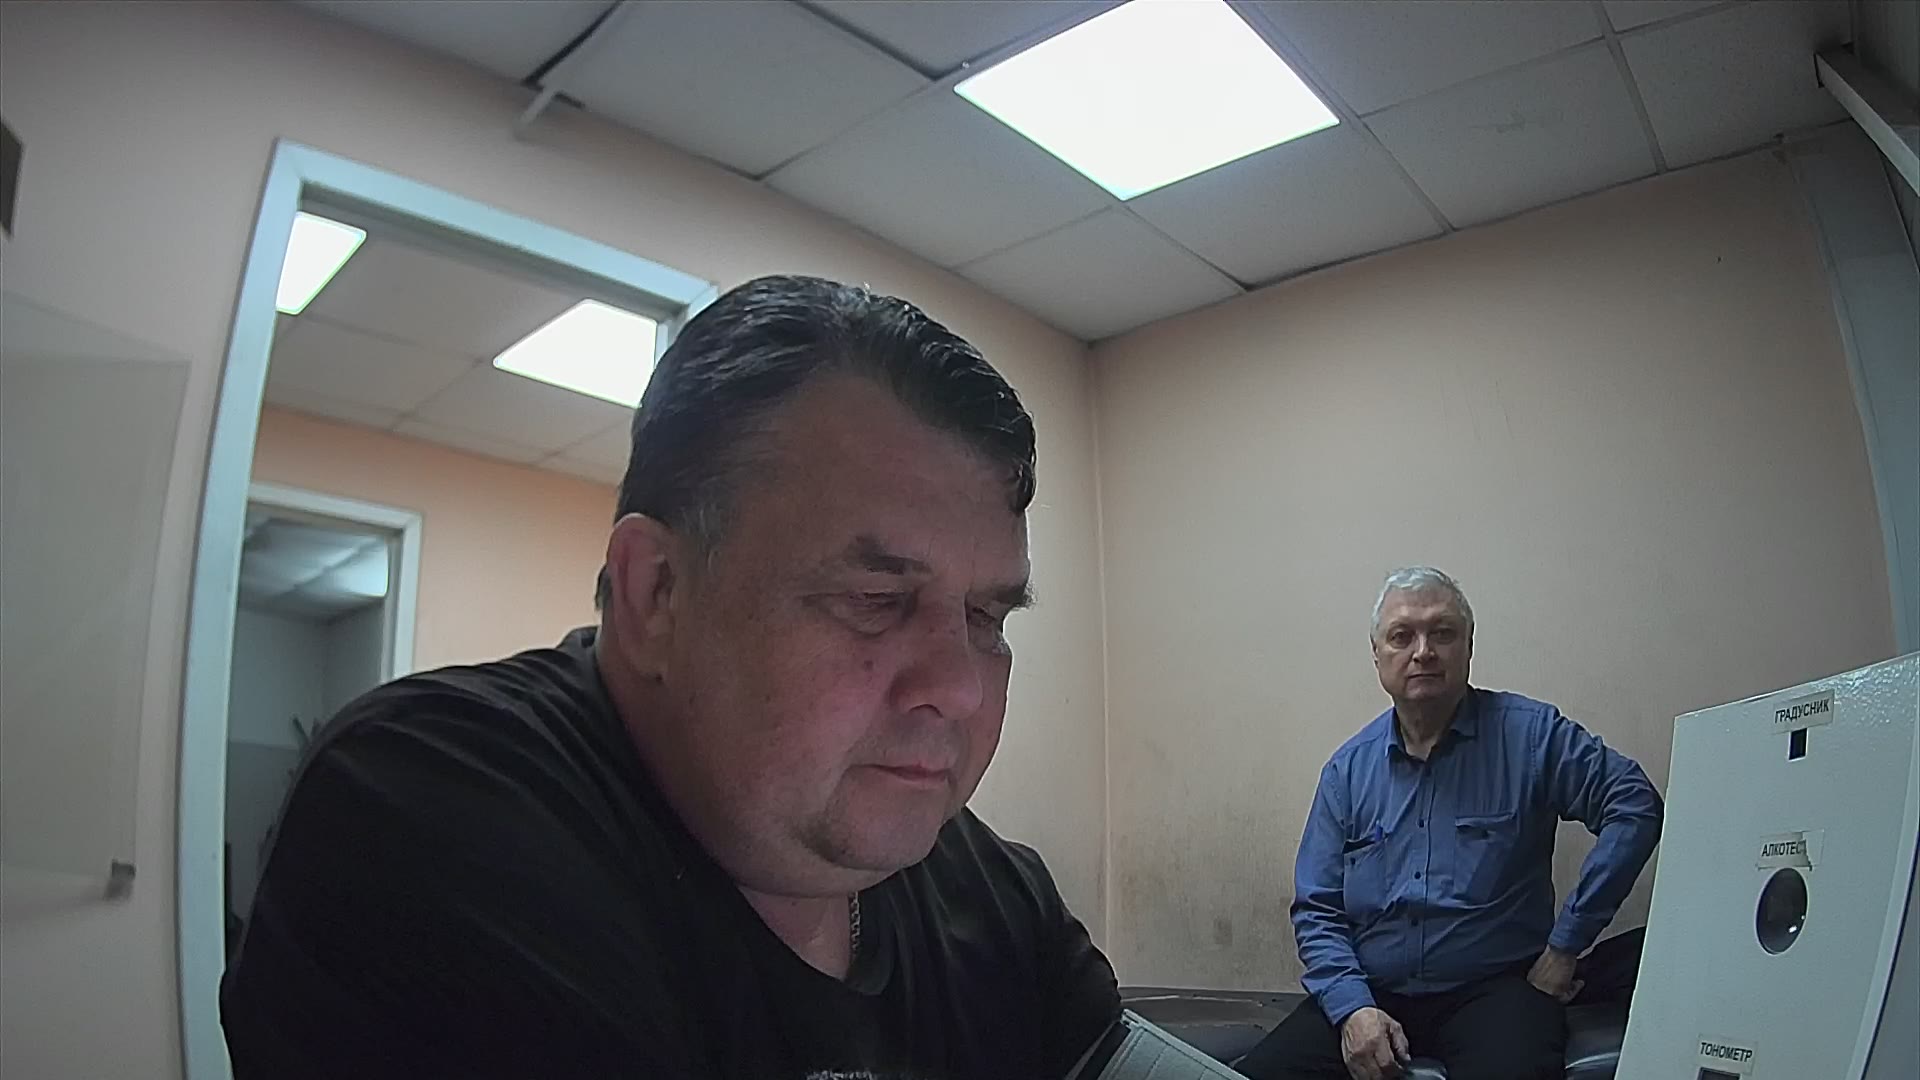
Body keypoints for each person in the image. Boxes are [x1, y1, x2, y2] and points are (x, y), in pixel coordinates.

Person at [221, 275, 1120, 1078]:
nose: (962, 689)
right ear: (656, 592)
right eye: (875, 598)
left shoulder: (992, 893)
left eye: (986, 618)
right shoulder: (421, 810)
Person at [1238, 567, 1662, 1080]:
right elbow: (1317, 908)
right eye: (1402, 636)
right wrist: (1353, 1007)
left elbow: (1635, 804)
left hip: (1494, 993)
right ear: (1377, 655)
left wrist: (1566, 945)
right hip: (1372, 991)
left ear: (1468, 646)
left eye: (1442, 633)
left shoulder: (1531, 737)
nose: (1423, 651)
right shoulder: (1346, 773)